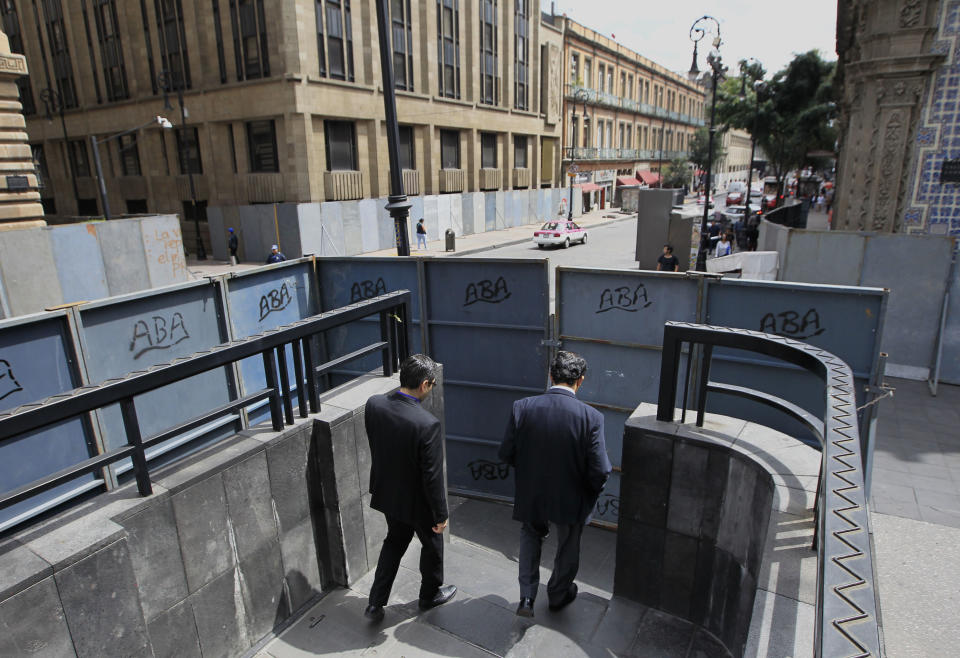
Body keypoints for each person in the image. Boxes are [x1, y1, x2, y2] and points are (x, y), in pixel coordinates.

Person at [498, 351, 611, 618]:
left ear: (550, 376)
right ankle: (558, 594)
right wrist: (591, 491)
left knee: (530, 536)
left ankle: (526, 597)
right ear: (580, 381)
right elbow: (601, 469)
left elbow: (506, 453)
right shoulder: (592, 418)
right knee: (568, 544)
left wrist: (529, 473)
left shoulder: (522, 407)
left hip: (532, 492)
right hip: (571, 495)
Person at [364, 354, 456, 622]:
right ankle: (429, 595)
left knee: (393, 542)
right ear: (425, 384)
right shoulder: (426, 424)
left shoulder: (375, 405)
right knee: (432, 545)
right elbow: (432, 477)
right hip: (418, 503)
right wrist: (440, 515)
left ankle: (375, 603)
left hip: (388, 494)